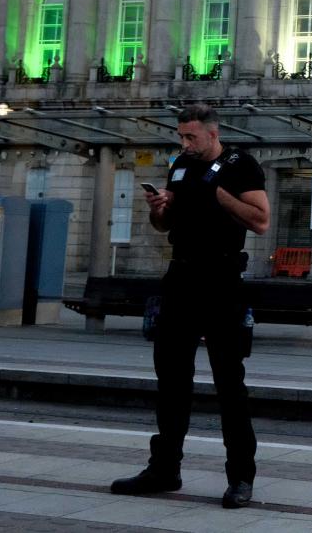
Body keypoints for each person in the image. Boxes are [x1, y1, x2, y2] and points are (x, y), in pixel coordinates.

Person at [111, 103, 270, 509]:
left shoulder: (241, 165)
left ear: (213, 134)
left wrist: (218, 195)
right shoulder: (179, 165)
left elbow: (261, 219)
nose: (184, 143)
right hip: (180, 277)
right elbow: (165, 226)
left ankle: (241, 477)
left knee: (228, 383)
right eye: (181, 136)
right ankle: (164, 468)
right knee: (171, 379)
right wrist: (160, 209)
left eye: (191, 137)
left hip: (221, 280)